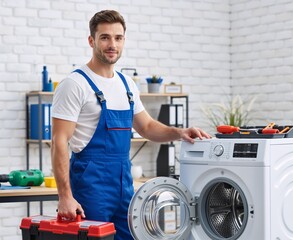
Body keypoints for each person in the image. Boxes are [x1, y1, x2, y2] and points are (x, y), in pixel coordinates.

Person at [51, 10, 211, 240]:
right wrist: (65, 196)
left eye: (118, 38)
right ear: (91, 40)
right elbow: (58, 141)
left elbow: (146, 127)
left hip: (124, 184)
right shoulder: (74, 84)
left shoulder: (127, 85)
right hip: (90, 185)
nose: (112, 44)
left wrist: (180, 132)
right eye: (105, 37)